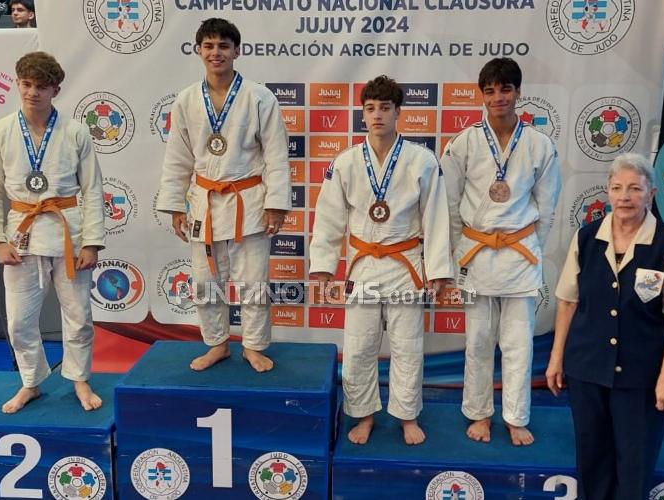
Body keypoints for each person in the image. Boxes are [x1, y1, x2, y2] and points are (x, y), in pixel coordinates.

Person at [310, 75, 453, 445]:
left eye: (385, 108)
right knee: (359, 346)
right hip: (363, 265)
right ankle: (364, 415)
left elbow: (436, 217)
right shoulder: (345, 163)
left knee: (407, 345)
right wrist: (324, 267)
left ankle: (407, 416)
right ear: (363, 113)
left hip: (406, 263)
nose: (377, 116)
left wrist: (438, 271)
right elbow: (328, 218)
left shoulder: (422, 160)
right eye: (370, 108)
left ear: (397, 113)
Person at [546, 153, 664, 500]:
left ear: (651, 194)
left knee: (634, 465)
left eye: (634, 189)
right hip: (587, 369)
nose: (624, 197)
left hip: (641, 376)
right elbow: (568, 302)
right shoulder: (586, 238)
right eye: (617, 188)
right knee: (592, 461)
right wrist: (556, 360)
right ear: (608, 193)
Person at [156, 18, 291, 373]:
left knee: (254, 280)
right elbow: (178, 157)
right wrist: (174, 205)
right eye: (210, 46)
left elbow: (276, 153)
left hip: (249, 199)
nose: (216, 53)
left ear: (236, 51)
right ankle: (216, 344)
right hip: (205, 201)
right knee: (205, 280)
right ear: (199, 50)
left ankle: (253, 345)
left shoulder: (260, 97)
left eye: (224, 46)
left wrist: (277, 205)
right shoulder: (186, 100)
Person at [441, 57, 561, 446]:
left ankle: (516, 416)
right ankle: (479, 413)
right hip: (476, 255)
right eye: (490, 90)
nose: (498, 97)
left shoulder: (540, 145)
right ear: (482, 95)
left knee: (518, 342)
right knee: (477, 341)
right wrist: (464, 248)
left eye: (506, 89)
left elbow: (548, 207)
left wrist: (526, 245)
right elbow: (449, 203)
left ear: (518, 93)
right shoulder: (464, 143)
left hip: (520, 256)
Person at [0, 51, 106, 414]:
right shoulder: (0, 132)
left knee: (78, 314)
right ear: (17, 84)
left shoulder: (76, 132)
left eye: (41, 86)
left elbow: (93, 189)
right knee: (20, 320)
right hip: (21, 235)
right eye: (26, 84)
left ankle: (80, 378)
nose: (32, 92)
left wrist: (92, 242)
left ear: (56, 90)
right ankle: (31, 382)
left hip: (69, 234)